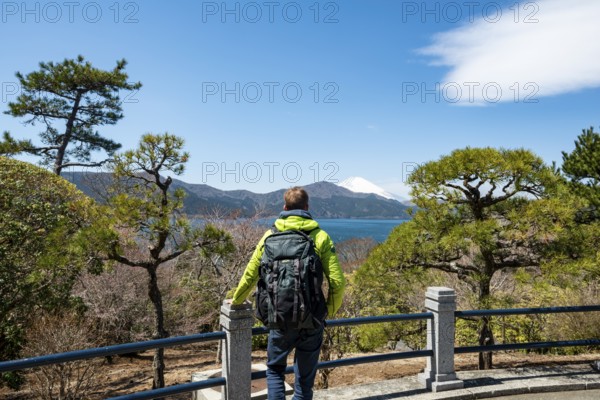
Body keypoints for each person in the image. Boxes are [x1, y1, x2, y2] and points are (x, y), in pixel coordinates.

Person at [230, 186, 346, 400]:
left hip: (279, 317)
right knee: (304, 381)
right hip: (311, 319)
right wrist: (326, 312)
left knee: (274, 370)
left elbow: (250, 274)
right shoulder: (320, 237)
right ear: (307, 207)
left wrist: (236, 300)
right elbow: (338, 283)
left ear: (284, 207)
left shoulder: (269, 235)